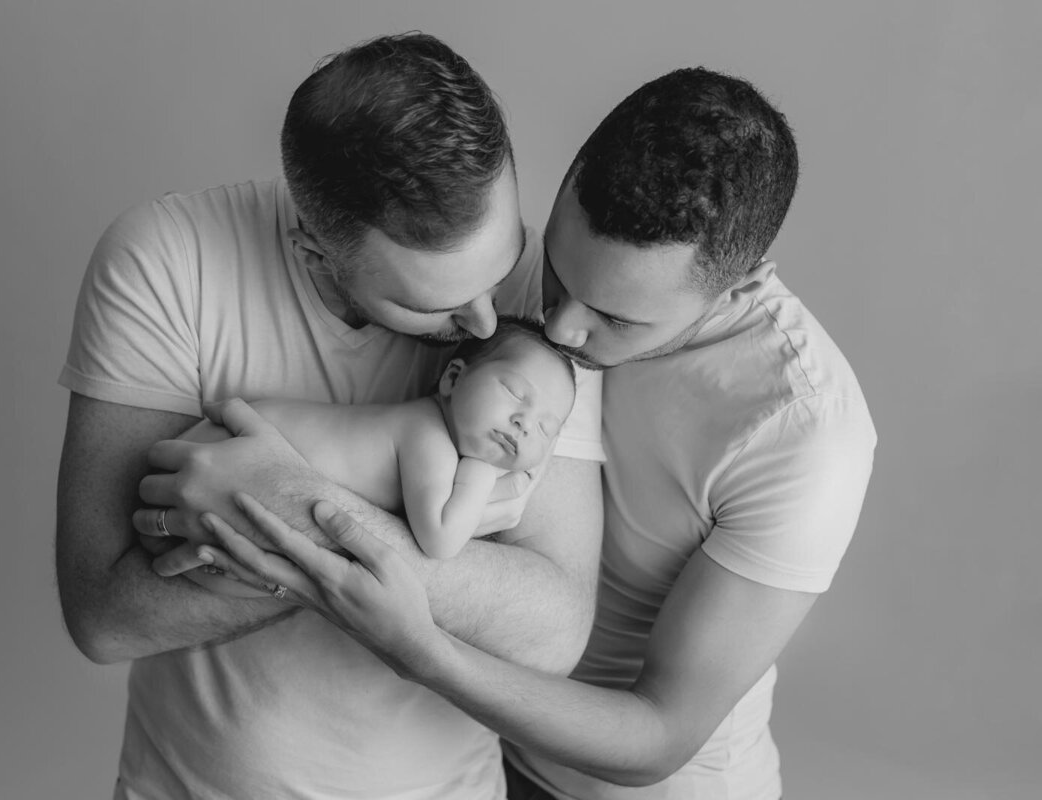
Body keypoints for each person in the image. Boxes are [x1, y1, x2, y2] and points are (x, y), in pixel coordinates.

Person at [194, 67, 878, 799]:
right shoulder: (505, 282)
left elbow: (659, 737)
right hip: (487, 758)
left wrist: (422, 651)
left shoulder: (803, 434)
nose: (559, 327)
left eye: (616, 320)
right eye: (557, 271)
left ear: (738, 287)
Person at [55, 33, 605, 800]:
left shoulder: (538, 305)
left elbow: (551, 633)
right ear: (315, 255)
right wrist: (406, 559)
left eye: (502, 263)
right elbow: (106, 616)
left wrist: (293, 506)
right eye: (436, 303)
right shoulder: (166, 260)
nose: (487, 325)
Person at [155, 317, 576, 572]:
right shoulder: (426, 435)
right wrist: (484, 474)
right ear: (453, 378)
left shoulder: (430, 434)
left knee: (272, 575)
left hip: (226, 463)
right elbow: (441, 541)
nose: (524, 423)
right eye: (515, 393)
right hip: (225, 454)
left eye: (545, 428)